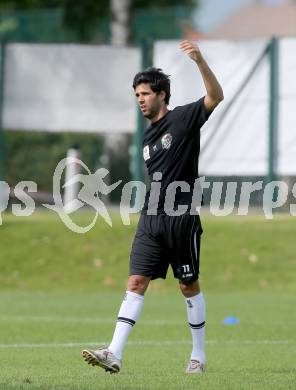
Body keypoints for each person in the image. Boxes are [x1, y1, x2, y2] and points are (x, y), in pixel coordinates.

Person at [82, 40, 224, 374]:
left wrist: (200, 61)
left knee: (188, 285)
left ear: (161, 94)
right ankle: (114, 353)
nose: (140, 100)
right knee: (135, 282)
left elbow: (215, 96)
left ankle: (198, 356)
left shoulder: (185, 118)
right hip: (151, 219)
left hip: (181, 219)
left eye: (144, 93)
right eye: (136, 96)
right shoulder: (147, 137)